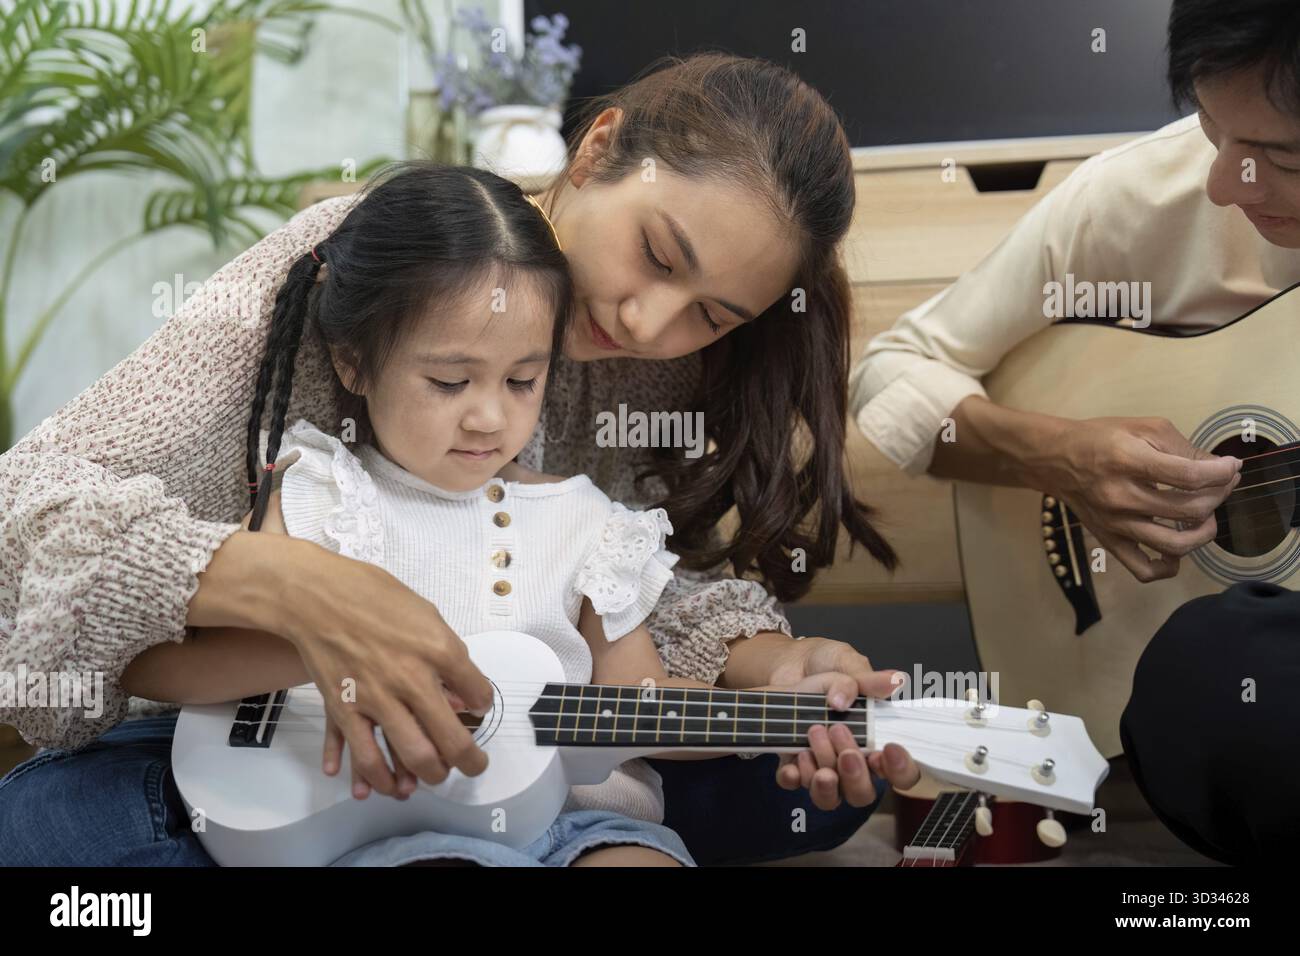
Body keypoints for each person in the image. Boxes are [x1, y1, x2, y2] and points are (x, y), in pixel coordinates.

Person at [0, 52, 919, 866]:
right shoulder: (390, 264)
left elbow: (614, 589)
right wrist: (297, 591)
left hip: (532, 748)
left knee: (812, 787)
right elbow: (23, 513)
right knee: (48, 829)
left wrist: (774, 672)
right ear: (599, 149)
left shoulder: (661, 368)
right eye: (656, 255)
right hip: (264, 743)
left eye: (711, 315)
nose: (649, 323)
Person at [849, 0, 1300, 863]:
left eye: (1277, 156)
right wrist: (1059, 457)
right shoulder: (1139, 198)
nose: (1223, 184)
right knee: (1208, 675)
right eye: (1211, 128)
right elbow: (893, 374)